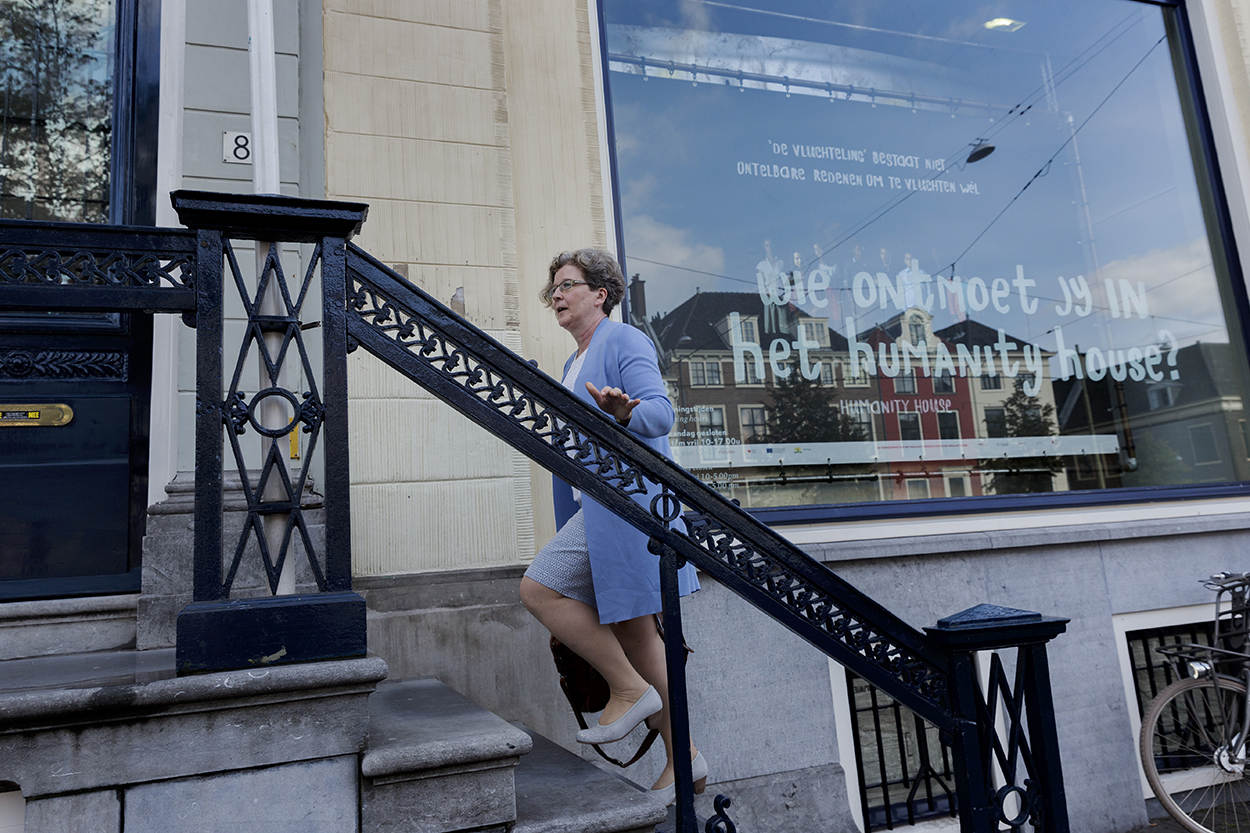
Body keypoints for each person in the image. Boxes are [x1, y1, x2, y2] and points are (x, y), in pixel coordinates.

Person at [520, 248, 706, 803]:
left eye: (568, 285)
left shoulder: (622, 340)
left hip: (627, 509)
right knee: (642, 642)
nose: (556, 294)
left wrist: (625, 413)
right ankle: (687, 760)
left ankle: (626, 690)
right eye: (552, 287)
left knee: (539, 588)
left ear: (600, 293)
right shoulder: (572, 362)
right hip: (595, 513)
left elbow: (660, 413)